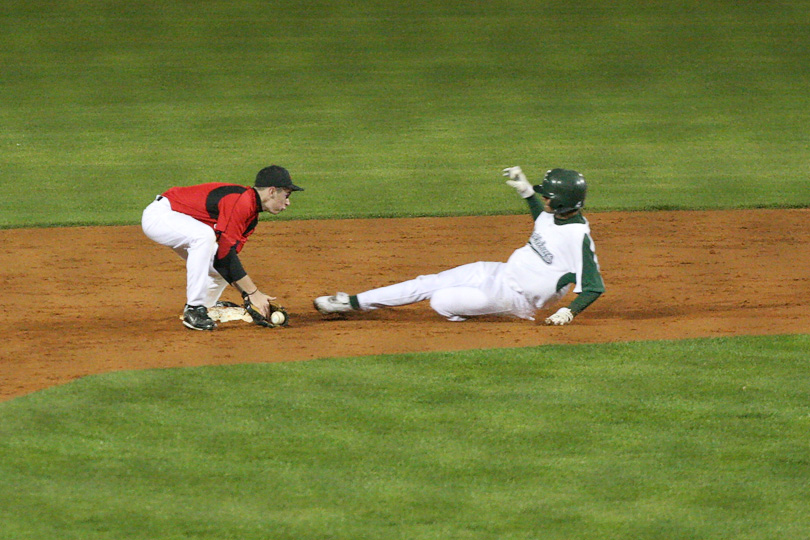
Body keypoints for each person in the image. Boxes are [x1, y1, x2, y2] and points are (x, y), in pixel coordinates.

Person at [314, 166, 604, 325]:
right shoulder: (555, 217)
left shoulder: (578, 236)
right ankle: (351, 302)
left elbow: (594, 286)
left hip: (517, 301)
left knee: (440, 301)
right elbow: (542, 221)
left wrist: (569, 311)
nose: (545, 200)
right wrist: (527, 193)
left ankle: (466, 310)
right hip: (497, 273)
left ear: (564, 201)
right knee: (427, 282)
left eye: (548, 196)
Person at [142, 165, 304, 330]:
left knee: (217, 263)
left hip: (179, 221)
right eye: (286, 194)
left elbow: (225, 261)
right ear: (271, 191)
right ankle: (194, 308)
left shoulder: (251, 217)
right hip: (160, 216)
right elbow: (226, 255)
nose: (288, 202)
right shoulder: (242, 201)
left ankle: (206, 306)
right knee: (204, 236)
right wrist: (254, 293)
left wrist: (247, 296)